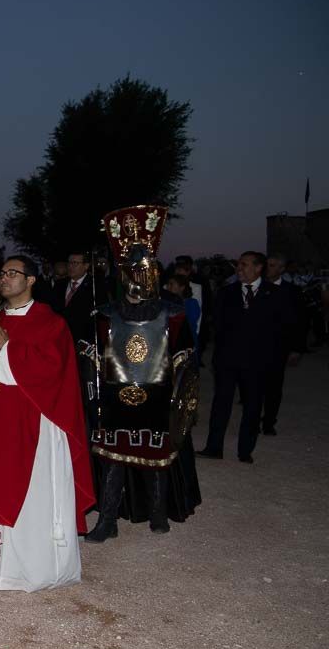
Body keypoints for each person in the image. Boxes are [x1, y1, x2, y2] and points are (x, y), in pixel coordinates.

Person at [0, 256, 95, 591]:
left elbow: (53, 373)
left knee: (28, 490)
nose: (4, 279)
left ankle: (29, 567)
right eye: (2, 273)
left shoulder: (49, 323)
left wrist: (7, 350)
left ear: (32, 279)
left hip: (33, 419)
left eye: (13, 273)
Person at [83, 206, 197, 541]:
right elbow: (94, 356)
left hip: (158, 394)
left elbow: (184, 359)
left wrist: (180, 402)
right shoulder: (105, 314)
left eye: (142, 270)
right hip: (115, 396)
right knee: (114, 461)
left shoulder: (171, 313)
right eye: (130, 270)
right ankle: (107, 520)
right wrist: (93, 388)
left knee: (156, 458)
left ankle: (158, 512)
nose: (137, 277)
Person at [198, 251, 292, 463]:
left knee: (252, 406)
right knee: (221, 403)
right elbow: (218, 326)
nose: (239, 269)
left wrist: (275, 356)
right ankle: (214, 447)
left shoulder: (275, 294)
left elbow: (282, 329)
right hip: (227, 360)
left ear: (259, 268)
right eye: (239, 265)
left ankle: (245, 450)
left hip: (258, 362)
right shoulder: (226, 292)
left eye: (244, 265)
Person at [261, 253, 305, 436]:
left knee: (274, 386)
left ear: (281, 269)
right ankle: (253, 419)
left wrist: (296, 348)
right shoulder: (256, 287)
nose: (267, 268)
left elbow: (300, 322)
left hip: (279, 346)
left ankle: (269, 421)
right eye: (267, 265)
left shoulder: (292, 291)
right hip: (256, 345)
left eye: (272, 265)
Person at [52, 252, 107, 350]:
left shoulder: (95, 285)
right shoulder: (60, 284)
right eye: (69, 263)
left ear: (86, 266)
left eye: (75, 263)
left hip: (84, 342)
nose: (70, 266)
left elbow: (101, 311)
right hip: (60, 339)